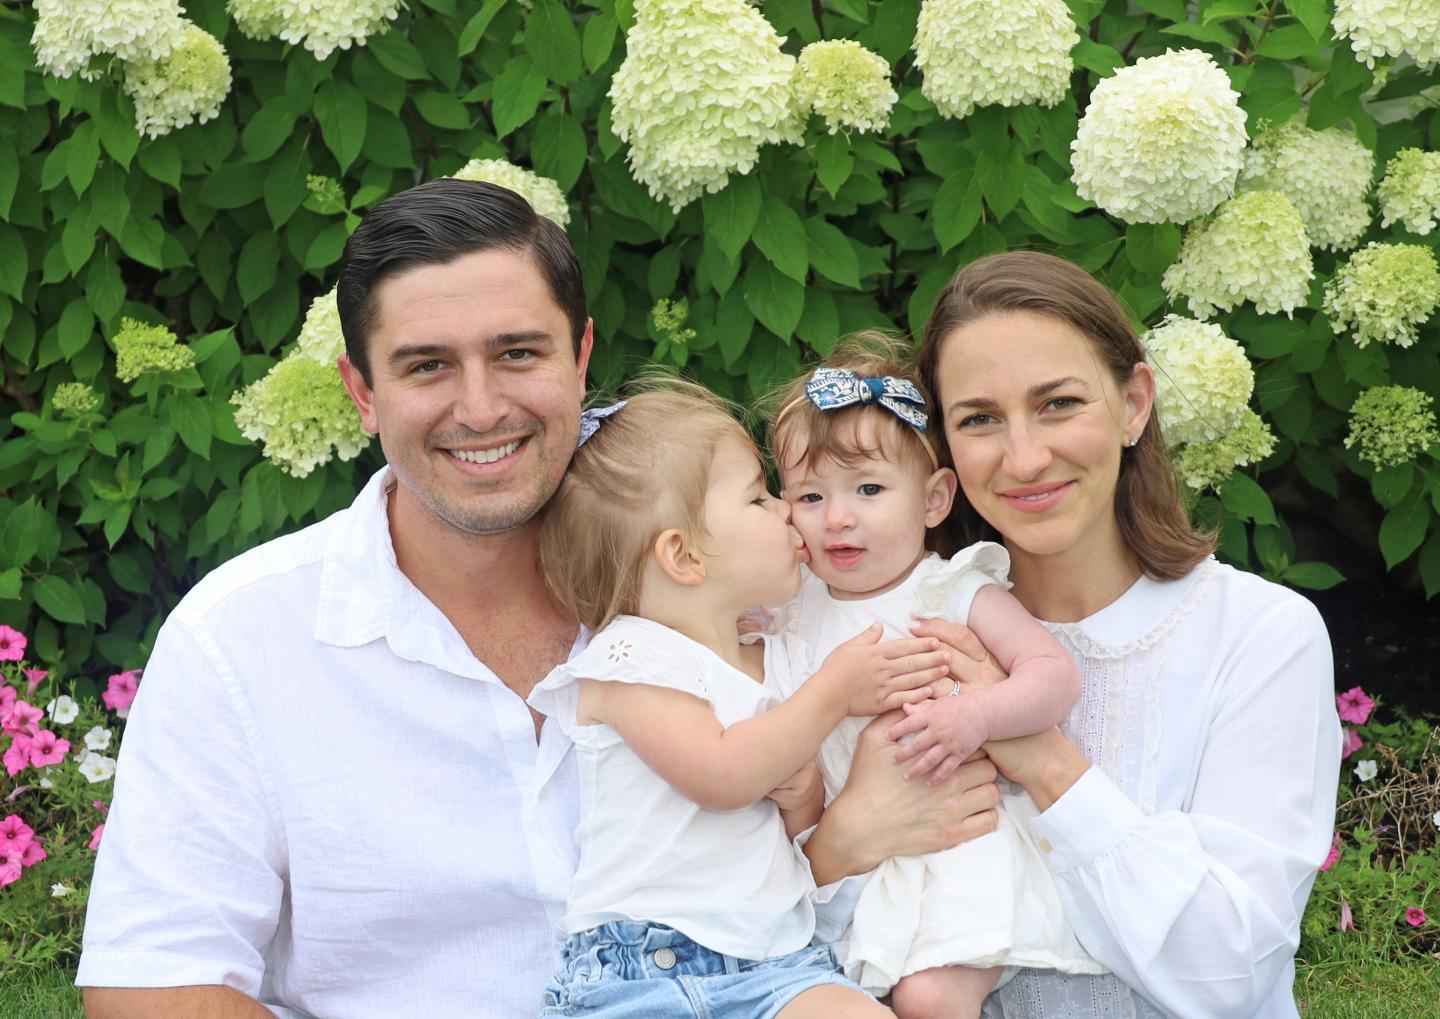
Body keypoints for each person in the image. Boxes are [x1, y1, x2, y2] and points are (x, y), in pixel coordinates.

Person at [76, 178, 1002, 1017]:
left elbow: (785, 893)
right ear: (361, 391)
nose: (481, 408)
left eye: (517, 352)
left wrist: (841, 840)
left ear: (581, 355)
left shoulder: (734, 597)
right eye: (427, 365)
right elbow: (151, 987)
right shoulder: (241, 636)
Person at [899, 251, 1341, 1017]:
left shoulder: (1259, 636)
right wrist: (841, 844)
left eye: (1059, 403)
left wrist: (1039, 756)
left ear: (1134, 402)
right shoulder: (911, 631)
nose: (1026, 456)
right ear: (943, 445)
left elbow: (1227, 973)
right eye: (978, 419)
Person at [529, 384, 953, 1018]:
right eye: (758, 496)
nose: (787, 509)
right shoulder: (631, 658)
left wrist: (803, 792)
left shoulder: (773, 657)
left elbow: (787, 815)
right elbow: (722, 775)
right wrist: (834, 691)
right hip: (643, 969)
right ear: (684, 555)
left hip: (782, 963)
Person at [764, 335, 1105, 1018]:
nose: (837, 517)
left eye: (868, 489)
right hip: (846, 856)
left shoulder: (948, 589)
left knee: (928, 995)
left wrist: (974, 716)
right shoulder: (789, 604)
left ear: (933, 499)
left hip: (955, 849)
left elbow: (1053, 676)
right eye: (809, 494)